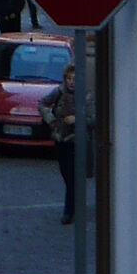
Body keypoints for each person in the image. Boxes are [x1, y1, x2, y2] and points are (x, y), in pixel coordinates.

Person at [39, 56, 89, 225]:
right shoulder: (59, 92)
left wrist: (77, 119)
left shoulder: (86, 95)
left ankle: (69, 211)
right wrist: (51, 120)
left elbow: (93, 118)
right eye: (69, 78)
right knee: (67, 175)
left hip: (78, 140)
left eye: (74, 79)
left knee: (74, 177)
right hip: (61, 139)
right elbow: (42, 104)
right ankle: (74, 207)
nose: (71, 82)